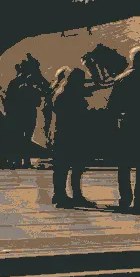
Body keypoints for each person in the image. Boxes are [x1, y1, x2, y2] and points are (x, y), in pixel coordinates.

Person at [107, 47, 140, 212]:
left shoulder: (121, 79)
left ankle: (125, 199)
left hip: (126, 124)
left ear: (131, 59)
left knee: (124, 165)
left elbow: (112, 106)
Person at [50, 67, 94, 208]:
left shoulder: (61, 93)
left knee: (62, 167)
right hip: (72, 134)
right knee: (75, 166)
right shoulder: (72, 95)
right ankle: (74, 195)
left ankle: (60, 194)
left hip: (62, 133)